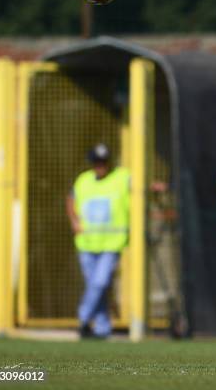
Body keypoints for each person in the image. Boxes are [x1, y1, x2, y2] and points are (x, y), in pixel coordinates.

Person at [66, 143, 130, 339]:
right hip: (86, 243)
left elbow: (142, 187)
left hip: (111, 243)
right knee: (96, 286)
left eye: (103, 162)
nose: (100, 166)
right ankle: (102, 328)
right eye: (97, 162)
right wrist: (74, 221)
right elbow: (70, 199)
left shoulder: (122, 178)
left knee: (100, 283)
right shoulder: (83, 180)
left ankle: (83, 318)